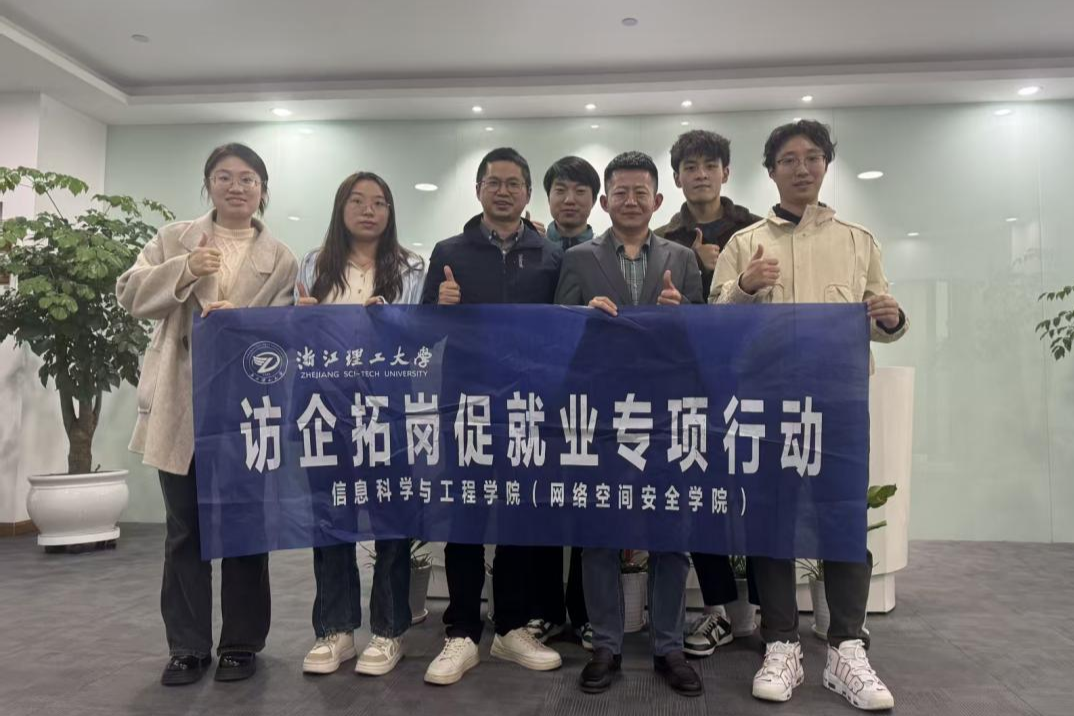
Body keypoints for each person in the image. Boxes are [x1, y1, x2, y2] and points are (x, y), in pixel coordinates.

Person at [711, 120, 907, 711]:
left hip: (837, 403)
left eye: (813, 157)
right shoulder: (744, 243)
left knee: (841, 518)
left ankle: (846, 649)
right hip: (767, 404)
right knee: (772, 521)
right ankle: (781, 644)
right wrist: (745, 287)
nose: (802, 168)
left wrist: (891, 318)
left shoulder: (857, 240)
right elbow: (715, 323)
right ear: (771, 170)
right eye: (789, 159)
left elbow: (881, 319)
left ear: (825, 166)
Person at [116, 143, 298, 686]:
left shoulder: (281, 257)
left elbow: (285, 332)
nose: (236, 187)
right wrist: (186, 270)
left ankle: (241, 642)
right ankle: (187, 646)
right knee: (184, 531)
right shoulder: (175, 238)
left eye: (248, 179)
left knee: (245, 528)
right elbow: (130, 293)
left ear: (263, 189)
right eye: (224, 177)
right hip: (182, 401)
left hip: (247, 408)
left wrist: (239, 321)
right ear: (208, 185)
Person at [554, 150, 704, 697]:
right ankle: (606, 646)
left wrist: (681, 312)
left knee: (672, 535)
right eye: (621, 192)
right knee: (599, 534)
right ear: (605, 200)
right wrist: (581, 318)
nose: (632, 201)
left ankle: (669, 647)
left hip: (666, 415)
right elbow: (556, 337)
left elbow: (703, 338)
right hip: (601, 415)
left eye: (642, 192)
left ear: (658, 200)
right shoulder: (578, 260)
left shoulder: (683, 259)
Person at [420, 147, 565, 685]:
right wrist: (440, 307)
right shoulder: (449, 251)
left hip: (528, 407)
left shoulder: (550, 256)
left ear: (527, 194)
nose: (503, 191)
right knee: (466, 517)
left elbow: (563, 330)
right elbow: (423, 332)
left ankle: (510, 629)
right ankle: (461, 630)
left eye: (513, 183)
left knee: (519, 518)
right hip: (467, 406)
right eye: (493, 182)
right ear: (478, 189)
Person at [294, 171, 426, 676]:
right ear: (340, 208)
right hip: (326, 410)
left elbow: (421, 336)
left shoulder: (411, 267)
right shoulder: (314, 263)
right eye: (357, 201)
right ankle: (336, 629)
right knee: (331, 520)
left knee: (392, 522)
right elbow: (297, 338)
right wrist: (301, 319)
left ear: (390, 213)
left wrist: (392, 321)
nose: (369, 210)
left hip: (387, 410)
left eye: (379, 203)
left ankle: (389, 632)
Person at [655, 129, 763, 656]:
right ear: (677, 177)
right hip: (690, 386)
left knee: (758, 494)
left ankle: (765, 612)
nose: (700, 174)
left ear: (726, 172)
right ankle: (718, 609)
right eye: (690, 166)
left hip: (752, 380)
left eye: (709, 165)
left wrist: (727, 272)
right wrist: (696, 267)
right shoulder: (662, 239)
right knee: (700, 494)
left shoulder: (756, 230)